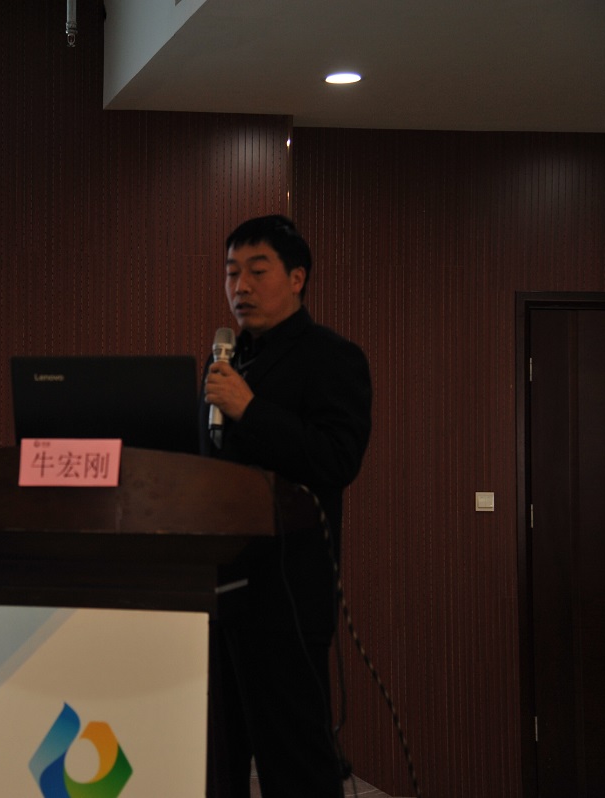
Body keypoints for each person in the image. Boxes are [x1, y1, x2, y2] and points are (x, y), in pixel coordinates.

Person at [200, 214, 372, 798]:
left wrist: (251, 410)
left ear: (297, 278)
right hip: (212, 596)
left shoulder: (333, 358)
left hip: (286, 600)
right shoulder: (225, 365)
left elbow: (336, 459)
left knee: (295, 770)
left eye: (257, 270)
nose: (240, 286)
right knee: (213, 767)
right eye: (231, 273)